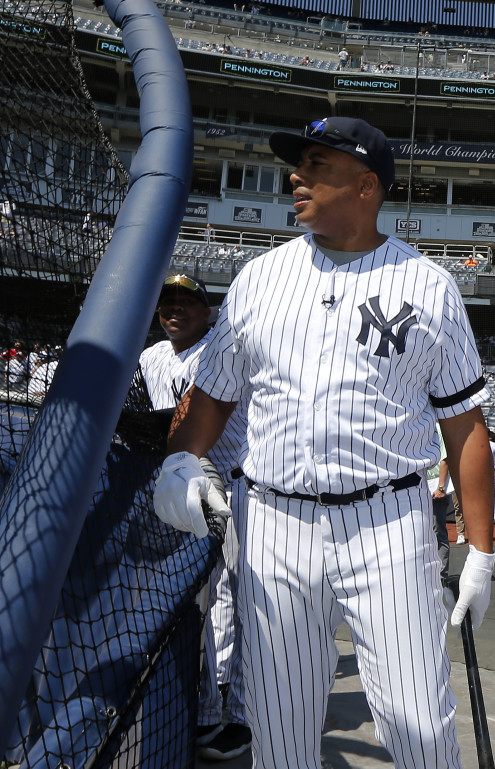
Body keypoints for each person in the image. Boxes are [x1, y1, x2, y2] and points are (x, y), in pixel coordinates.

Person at [151, 117, 495, 769]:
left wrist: (481, 550)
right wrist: (179, 456)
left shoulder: (428, 285)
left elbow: (464, 425)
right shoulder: (259, 278)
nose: (296, 176)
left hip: (386, 520)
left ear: (366, 186)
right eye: (298, 163)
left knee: (419, 724)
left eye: (316, 164)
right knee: (280, 732)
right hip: (274, 518)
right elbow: (216, 391)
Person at [139, 274, 252, 761]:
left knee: (237, 595)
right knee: (193, 596)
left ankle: (237, 712)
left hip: (239, 479)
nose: (176, 309)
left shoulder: (221, 350)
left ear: (209, 312)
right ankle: (206, 706)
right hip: (186, 484)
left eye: (188, 301)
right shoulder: (150, 358)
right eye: (168, 301)